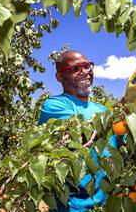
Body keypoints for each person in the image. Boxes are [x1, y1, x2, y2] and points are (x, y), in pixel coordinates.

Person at [38, 50, 117, 212]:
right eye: (75, 69)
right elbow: (79, 136)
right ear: (59, 77)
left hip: (108, 204)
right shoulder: (55, 105)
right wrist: (125, 102)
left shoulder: (102, 109)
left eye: (88, 66)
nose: (85, 72)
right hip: (72, 207)